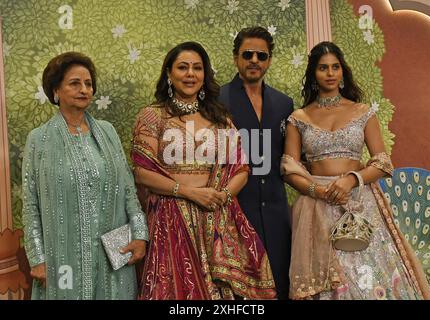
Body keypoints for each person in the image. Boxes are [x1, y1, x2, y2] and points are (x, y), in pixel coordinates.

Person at [282, 41, 430, 300]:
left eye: (335, 67)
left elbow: (383, 164)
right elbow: (289, 169)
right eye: (322, 68)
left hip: (360, 204)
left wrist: (351, 180)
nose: (330, 73)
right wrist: (319, 191)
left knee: (370, 277)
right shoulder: (299, 118)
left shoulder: (362, 112)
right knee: (329, 282)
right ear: (313, 75)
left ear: (343, 72)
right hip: (316, 208)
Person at [131, 41, 276, 300]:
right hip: (170, 216)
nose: (190, 74)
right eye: (183, 68)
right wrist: (189, 193)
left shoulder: (220, 118)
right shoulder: (152, 116)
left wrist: (223, 196)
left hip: (215, 216)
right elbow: (142, 173)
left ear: (205, 75)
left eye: (197, 68)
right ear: (169, 73)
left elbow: (241, 167)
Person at [22, 52, 148, 299]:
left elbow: (127, 189)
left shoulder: (107, 132)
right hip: (63, 258)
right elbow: (30, 203)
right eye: (74, 83)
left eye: (88, 84)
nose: (84, 90)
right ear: (56, 91)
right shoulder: (39, 139)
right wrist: (37, 257)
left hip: (113, 252)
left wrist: (140, 235)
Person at [219, 26, 293, 299]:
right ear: (235, 57)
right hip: (235, 211)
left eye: (261, 56)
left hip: (276, 212)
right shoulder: (218, 100)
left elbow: (291, 157)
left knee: (280, 286)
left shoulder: (284, 103)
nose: (254, 60)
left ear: (269, 60)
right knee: (240, 290)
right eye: (247, 54)